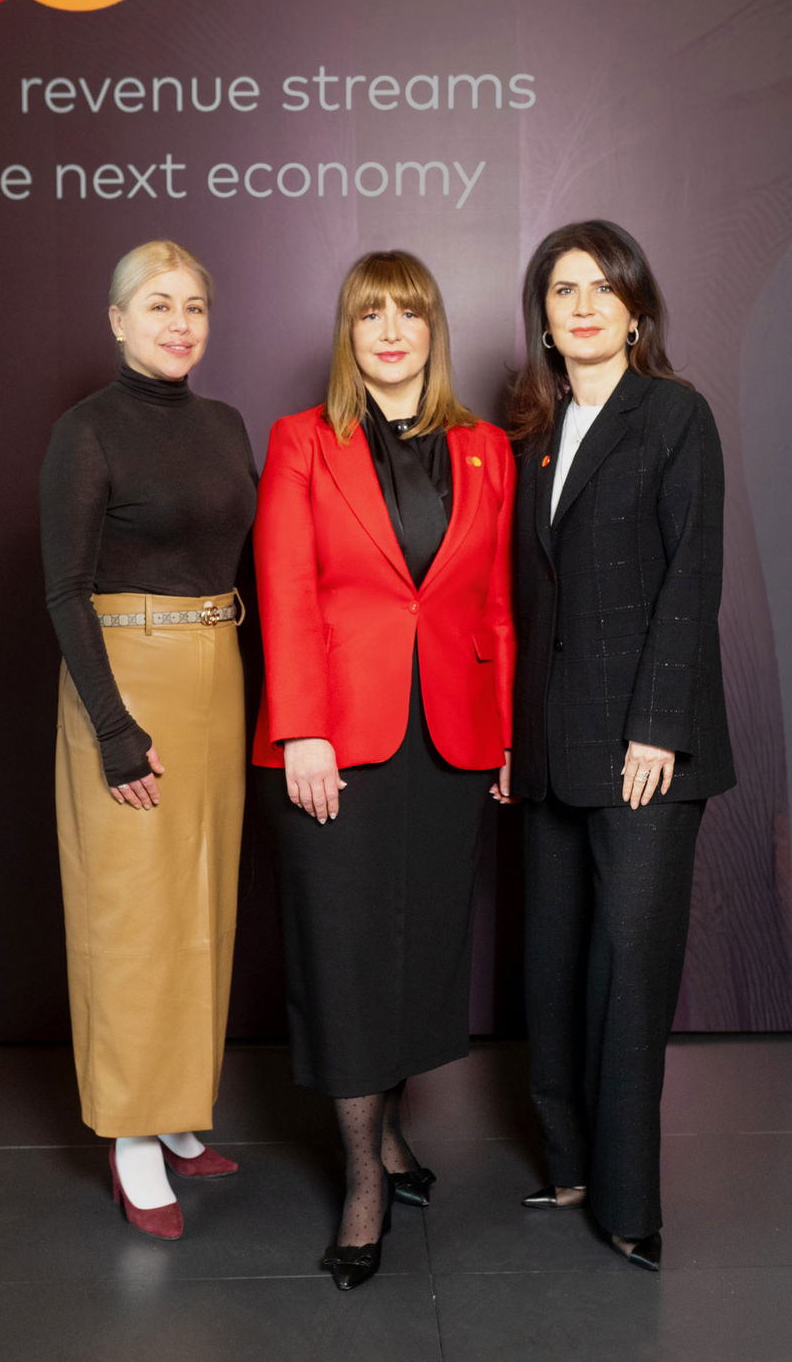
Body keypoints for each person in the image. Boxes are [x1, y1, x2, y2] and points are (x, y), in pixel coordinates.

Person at [253, 250, 516, 1290]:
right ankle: (363, 1181)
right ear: (349, 334)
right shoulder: (302, 441)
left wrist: (503, 733)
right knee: (348, 956)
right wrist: (303, 729)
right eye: (372, 315)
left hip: (448, 742)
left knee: (415, 950)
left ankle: (394, 1136)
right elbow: (283, 588)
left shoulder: (486, 449)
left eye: (410, 313)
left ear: (432, 330)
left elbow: (495, 605)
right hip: (337, 746)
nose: (392, 331)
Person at [509, 219, 735, 1270]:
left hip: (646, 748)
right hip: (554, 749)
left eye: (604, 287)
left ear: (636, 308)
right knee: (552, 966)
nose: (585, 305)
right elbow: (530, 606)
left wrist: (658, 727)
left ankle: (630, 1203)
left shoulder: (676, 415)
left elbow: (692, 580)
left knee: (629, 973)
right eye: (565, 290)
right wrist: (516, 742)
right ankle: (567, 1165)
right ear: (545, 319)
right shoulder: (536, 436)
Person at [39, 240, 257, 1239]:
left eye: (195, 306)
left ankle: (176, 1109)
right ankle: (130, 1136)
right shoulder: (86, 430)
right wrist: (114, 729)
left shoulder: (225, 424)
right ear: (118, 319)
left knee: (202, 901)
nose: (179, 322)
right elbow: (65, 589)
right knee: (132, 914)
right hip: (125, 678)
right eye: (158, 304)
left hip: (218, 669)